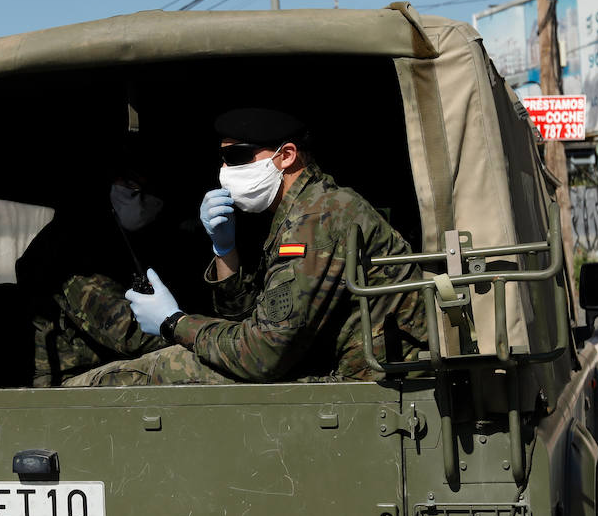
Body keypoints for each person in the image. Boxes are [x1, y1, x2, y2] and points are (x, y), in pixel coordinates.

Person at [63, 107, 426, 386]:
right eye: (223, 158)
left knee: (141, 376)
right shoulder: (300, 209)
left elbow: (262, 354)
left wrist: (174, 323)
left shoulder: (319, 217)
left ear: (286, 155)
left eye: (237, 157)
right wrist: (224, 251)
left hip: (360, 384)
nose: (226, 169)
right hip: (329, 366)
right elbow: (246, 319)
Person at [17, 143, 204, 386]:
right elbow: (127, 333)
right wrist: (205, 333)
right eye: (129, 183)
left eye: (145, 185)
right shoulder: (71, 248)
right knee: (189, 364)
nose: (138, 192)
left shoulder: (125, 239)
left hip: (111, 366)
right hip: (68, 384)